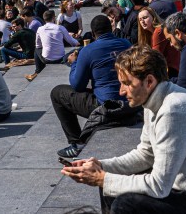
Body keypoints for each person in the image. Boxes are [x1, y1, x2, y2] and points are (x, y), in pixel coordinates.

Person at [62, 47, 186, 213]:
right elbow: (145, 154)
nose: (121, 91)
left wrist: (103, 178)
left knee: (124, 203)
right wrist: (101, 167)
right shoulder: (154, 99)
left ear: (149, 81)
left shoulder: (174, 111)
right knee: (112, 182)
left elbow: (159, 185)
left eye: (126, 83)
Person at [50, 15, 132, 159]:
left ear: (93, 33)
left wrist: (74, 62)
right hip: (130, 103)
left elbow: (78, 85)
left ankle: (77, 143)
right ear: (111, 29)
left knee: (57, 92)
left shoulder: (88, 50)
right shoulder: (126, 44)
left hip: (106, 107)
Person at [26, 10, 79, 82]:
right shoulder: (60, 28)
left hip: (46, 59)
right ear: (53, 18)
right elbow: (72, 42)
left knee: (37, 49)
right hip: (60, 58)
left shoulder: (40, 29)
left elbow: (38, 45)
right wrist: (78, 42)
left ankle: (38, 71)